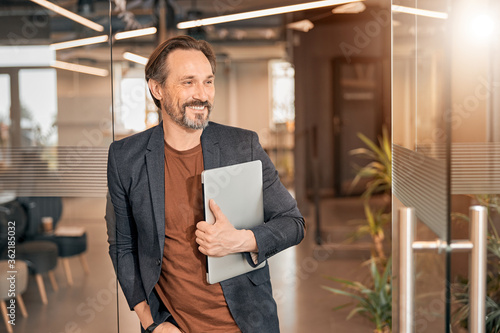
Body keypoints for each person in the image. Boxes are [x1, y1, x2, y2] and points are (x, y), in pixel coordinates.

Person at [106, 35, 305, 333]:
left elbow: (294, 223)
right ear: (157, 88)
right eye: (188, 82)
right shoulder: (126, 158)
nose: (202, 94)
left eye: (208, 82)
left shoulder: (242, 146)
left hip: (247, 323)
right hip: (172, 326)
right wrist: (151, 322)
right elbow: (122, 246)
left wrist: (241, 240)